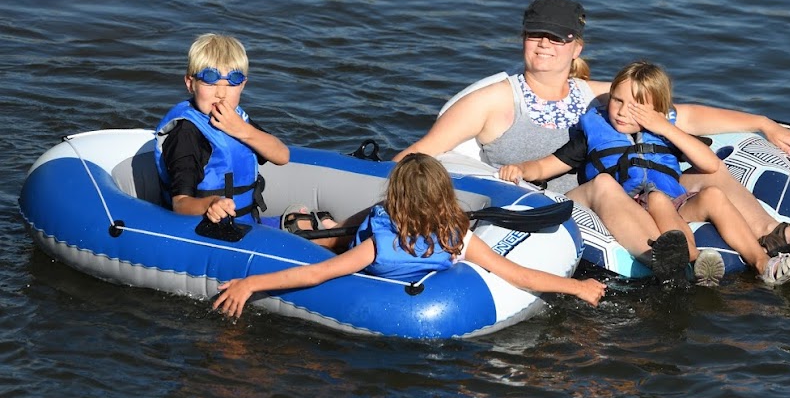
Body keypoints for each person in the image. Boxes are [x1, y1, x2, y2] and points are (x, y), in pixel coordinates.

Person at [394, 0, 790, 272]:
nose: (544, 45)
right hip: (559, 200)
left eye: (556, 38)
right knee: (605, 182)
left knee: (713, 175)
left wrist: (760, 121)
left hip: (633, 189)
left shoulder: (599, 95)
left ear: (576, 47)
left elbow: (687, 117)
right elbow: (424, 151)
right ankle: (661, 255)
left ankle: (775, 235)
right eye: (535, 36)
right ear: (523, 39)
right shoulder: (493, 100)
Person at [498, 61, 790, 287]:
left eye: (636, 108)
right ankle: (688, 260)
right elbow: (548, 166)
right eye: (617, 101)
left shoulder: (665, 133)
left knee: (710, 194)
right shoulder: (595, 133)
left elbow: (712, 165)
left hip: (667, 203)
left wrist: (663, 126)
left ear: (657, 111)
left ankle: (763, 263)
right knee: (623, 186)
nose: (622, 112)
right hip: (623, 204)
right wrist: (522, 170)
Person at [213, 153, 606, 318]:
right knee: (351, 224)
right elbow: (517, 274)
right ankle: (324, 225)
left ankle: (312, 226)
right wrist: (579, 287)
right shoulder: (458, 239)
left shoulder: (378, 245)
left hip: (356, 245)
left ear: (397, 198)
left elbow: (317, 274)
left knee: (320, 231)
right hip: (382, 237)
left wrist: (251, 285)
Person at [155, 33, 290, 226]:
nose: (221, 94)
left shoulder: (236, 120)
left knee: (302, 222)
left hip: (244, 223)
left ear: (243, 85)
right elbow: (180, 204)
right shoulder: (185, 133)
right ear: (190, 83)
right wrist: (211, 203)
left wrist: (242, 129)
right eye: (210, 83)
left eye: (230, 84)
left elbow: (282, 155)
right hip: (203, 229)